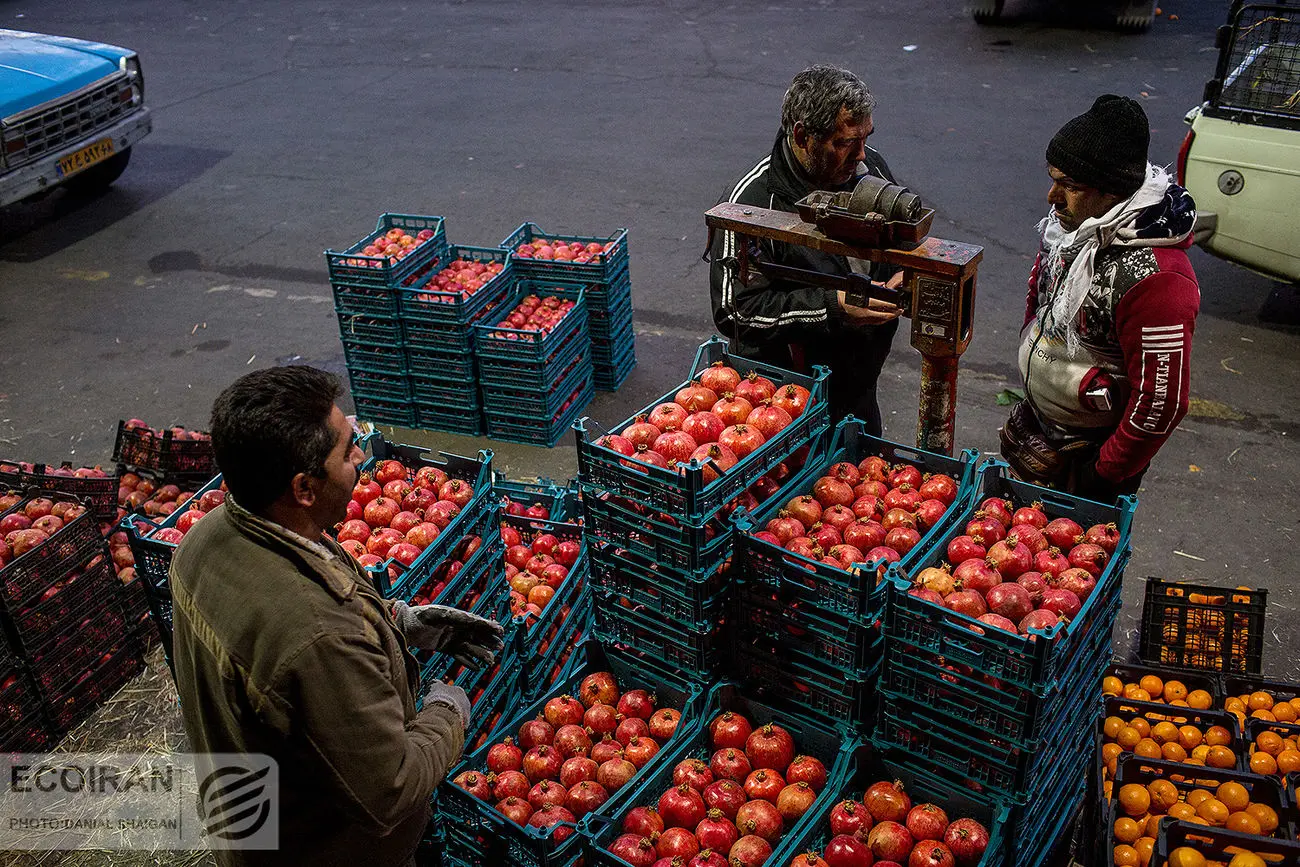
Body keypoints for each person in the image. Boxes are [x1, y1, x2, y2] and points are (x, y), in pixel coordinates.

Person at [170, 366, 505, 867]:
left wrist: (396, 620)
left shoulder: (209, 536)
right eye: (347, 450)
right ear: (305, 487)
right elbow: (389, 792)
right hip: (324, 850)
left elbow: (302, 617)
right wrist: (447, 712)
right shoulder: (317, 636)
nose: (361, 457)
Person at [1000, 94, 1200, 502]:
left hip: (1092, 463)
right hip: (1040, 435)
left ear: (1113, 192)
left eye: (1070, 185)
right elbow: (1041, 302)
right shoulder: (1072, 231)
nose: (1052, 197)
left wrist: (1103, 474)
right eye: (1053, 177)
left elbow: (1162, 401)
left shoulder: (1158, 280)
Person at [709, 63, 904, 435]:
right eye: (845, 143)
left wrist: (905, 271)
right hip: (784, 405)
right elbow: (734, 311)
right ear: (802, 136)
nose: (862, 154)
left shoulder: (868, 169)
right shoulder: (751, 204)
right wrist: (833, 307)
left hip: (858, 387)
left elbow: (901, 242)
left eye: (865, 138)